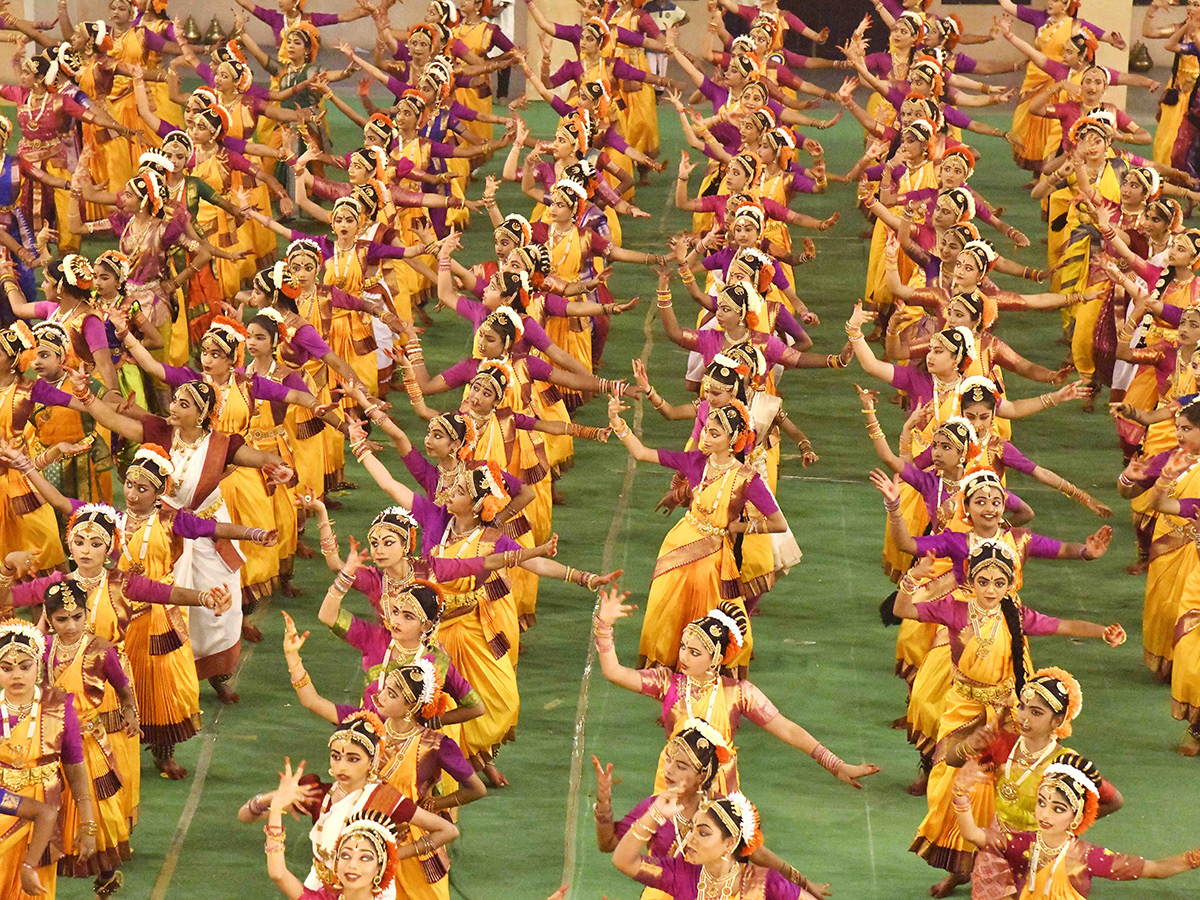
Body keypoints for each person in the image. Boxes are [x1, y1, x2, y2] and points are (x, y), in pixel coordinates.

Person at [891, 544, 1125, 897]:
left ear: (1009, 585)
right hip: (963, 707)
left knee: (1002, 790)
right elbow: (902, 608)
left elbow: (1060, 625)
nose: (990, 589)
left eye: (999, 583)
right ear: (970, 582)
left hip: (1006, 712)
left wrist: (1101, 631)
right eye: (983, 581)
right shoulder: (955, 611)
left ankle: (1009, 859)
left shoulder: (1014, 615)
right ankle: (960, 872)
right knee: (947, 788)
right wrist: (912, 579)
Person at [594, 588, 878, 794]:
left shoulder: (739, 693)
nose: (683, 657)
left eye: (694, 652)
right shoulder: (668, 683)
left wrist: (835, 764)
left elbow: (787, 729)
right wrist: (603, 625)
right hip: (672, 781)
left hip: (720, 787)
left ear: (716, 659)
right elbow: (614, 672)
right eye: (683, 647)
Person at [952, 752, 1200, 897]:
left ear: (1078, 817)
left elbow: (1154, 868)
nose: (1044, 814)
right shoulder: (1022, 844)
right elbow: (973, 834)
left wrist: (1193, 858)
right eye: (1041, 802)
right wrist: (960, 794)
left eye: (1058, 808)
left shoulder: (1088, 857)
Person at [612, 791, 806, 900]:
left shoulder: (764, 883)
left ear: (730, 843)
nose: (691, 838)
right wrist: (654, 813)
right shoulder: (681, 874)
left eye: (703, 833)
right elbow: (623, 861)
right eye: (692, 829)